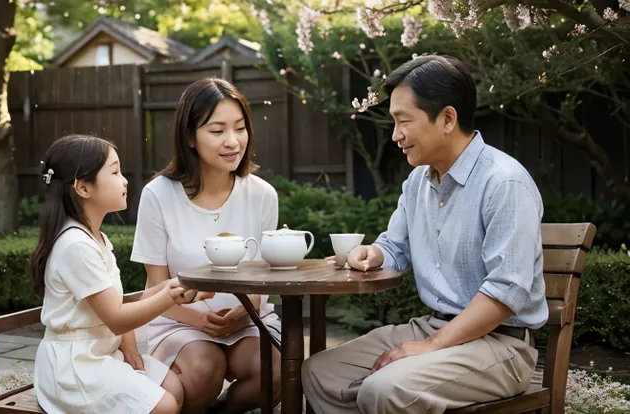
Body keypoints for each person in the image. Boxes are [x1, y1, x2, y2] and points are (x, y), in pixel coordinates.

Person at [302, 55, 548, 413]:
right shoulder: (419, 181)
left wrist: (433, 345)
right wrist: (373, 253)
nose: (395, 135)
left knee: (385, 389)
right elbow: (394, 246)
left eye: (404, 121)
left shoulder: (504, 183)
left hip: (501, 346)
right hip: (434, 326)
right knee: (322, 371)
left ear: (447, 118)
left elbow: (505, 293)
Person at [130, 78, 283, 413]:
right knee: (203, 370)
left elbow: (264, 277)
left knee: (276, 372)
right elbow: (155, 290)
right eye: (217, 131)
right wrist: (198, 322)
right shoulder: (159, 195)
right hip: (178, 323)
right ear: (189, 137)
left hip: (248, 320)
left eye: (240, 128)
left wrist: (246, 311)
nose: (232, 141)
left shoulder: (261, 195)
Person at [30, 134, 212, 414]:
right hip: (75, 367)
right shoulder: (75, 245)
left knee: (174, 388)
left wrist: (174, 287)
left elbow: (117, 303)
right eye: (114, 172)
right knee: (164, 406)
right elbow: (116, 318)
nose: (124, 180)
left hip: (102, 352)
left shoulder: (95, 238)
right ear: (83, 188)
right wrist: (171, 297)